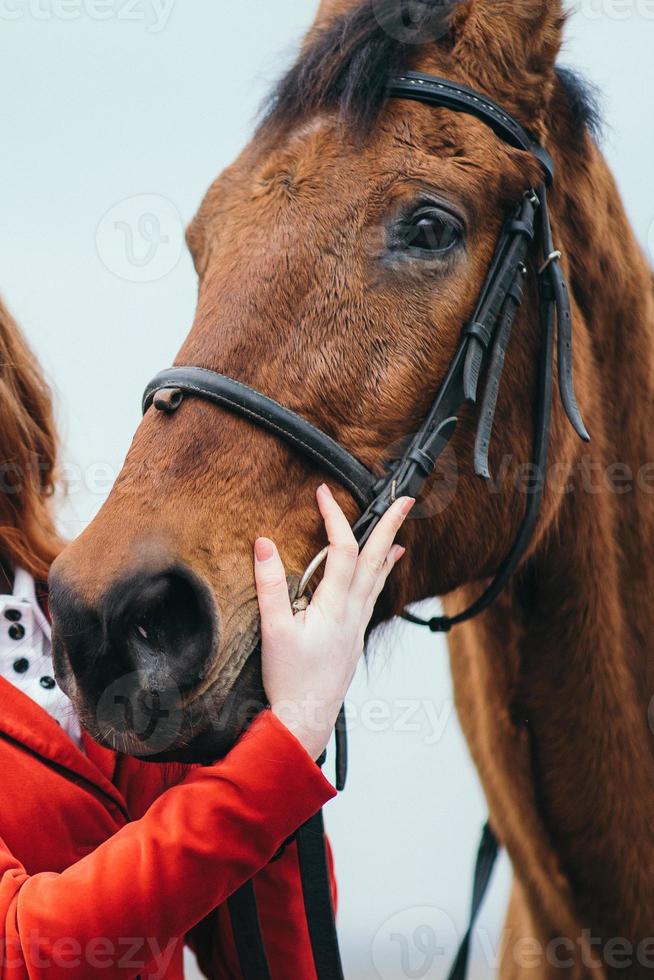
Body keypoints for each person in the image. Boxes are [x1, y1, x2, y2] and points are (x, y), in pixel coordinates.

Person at [0, 297, 412, 979]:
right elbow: (24, 950)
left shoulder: (111, 624)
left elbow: (275, 964)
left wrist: (264, 711)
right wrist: (282, 754)